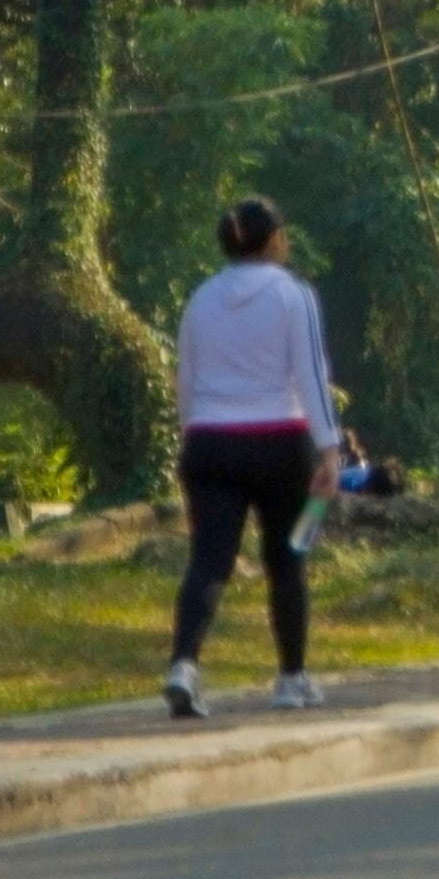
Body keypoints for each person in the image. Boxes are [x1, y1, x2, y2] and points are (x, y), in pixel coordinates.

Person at [169, 197, 337, 720]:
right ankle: (291, 677)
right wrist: (329, 449)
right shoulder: (294, 296)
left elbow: (186, 381)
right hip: (280, 441)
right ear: (274, 241)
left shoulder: (201, 299)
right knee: (287, 559)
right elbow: (311, 374)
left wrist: (189, 442)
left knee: (209, 561)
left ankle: (183, 666)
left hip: (210, 442)